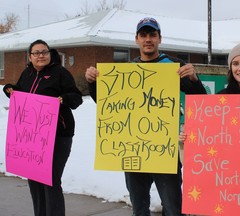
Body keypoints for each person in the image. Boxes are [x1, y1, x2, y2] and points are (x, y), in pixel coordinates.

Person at [85, 17, 207, 216]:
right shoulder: (127, 70)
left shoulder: (173, 65)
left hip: (165, 150)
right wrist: (92, 82)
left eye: (152, 35)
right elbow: (107, 105)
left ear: (160, 38)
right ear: (136, 40)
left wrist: (193, 78)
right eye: (144, 35)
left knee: (173, 207)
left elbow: (200, 100)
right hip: (134, 149)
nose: (148, 39)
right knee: (139, 207)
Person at [3, 39, 83, 216]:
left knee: (50, 180)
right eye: (36, 53)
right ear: (30, 56)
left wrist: (64, 99)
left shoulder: (60, 73)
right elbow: (23, 95)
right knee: (34, 179)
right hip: (32, 137)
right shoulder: (27, 73)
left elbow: (76, 97)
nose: (41, 55)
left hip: (58, 135)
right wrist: (10, 89)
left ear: (49, 53)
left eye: (44, 52)